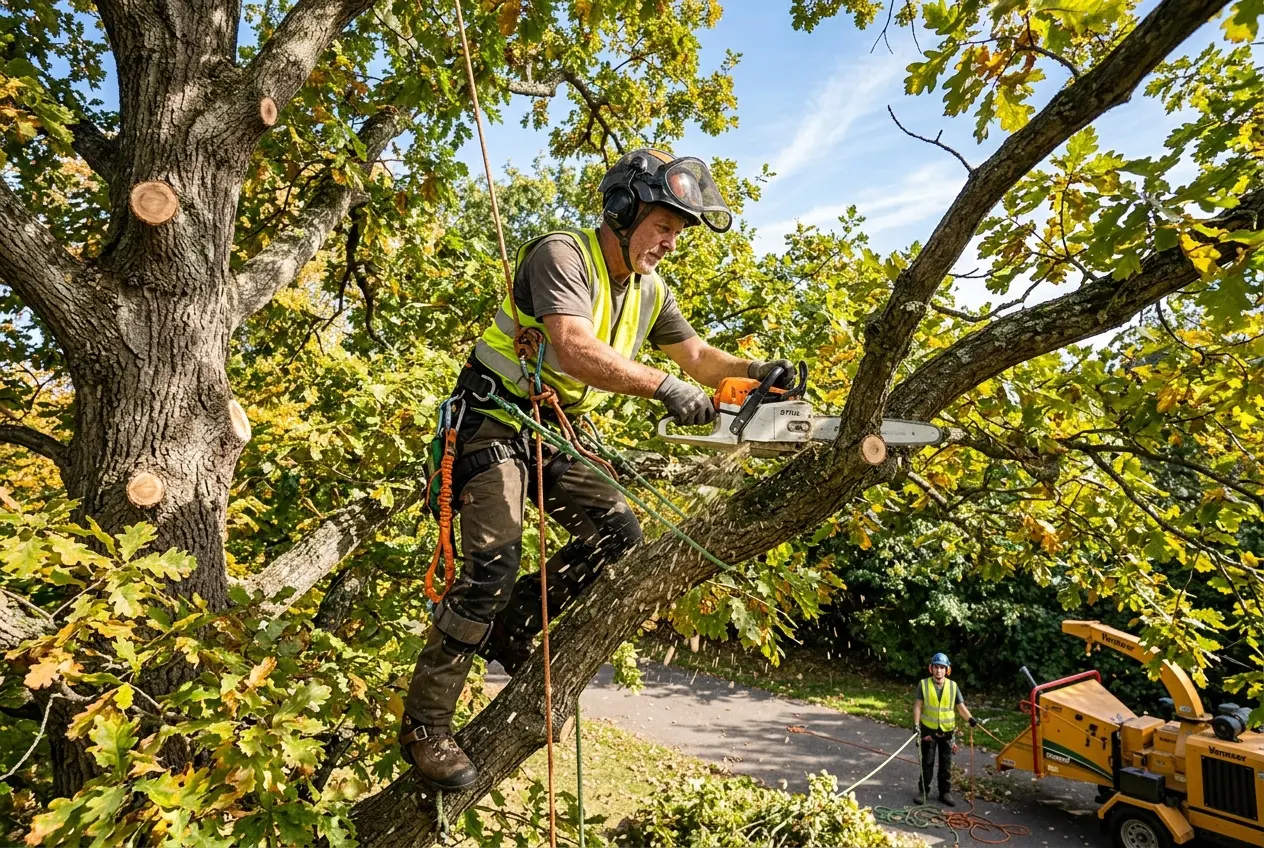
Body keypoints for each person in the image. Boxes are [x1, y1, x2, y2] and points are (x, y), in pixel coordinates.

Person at [400, 148, 796, 789]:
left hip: (556, 430)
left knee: (620, 537)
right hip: (494, 419)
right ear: (622, 210)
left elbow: (696, 355)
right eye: (664, 226)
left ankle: (514, 620)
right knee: (491, 562)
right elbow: (574, 346)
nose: (670, 243)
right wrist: (663, 386)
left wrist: (756, 372)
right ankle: (425, 723)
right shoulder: (562, 255)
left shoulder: (650, 290)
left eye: (678, 233)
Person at [912, 652, 978, 806]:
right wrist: (916, 726)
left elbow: (960, 707)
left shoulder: (953, 686)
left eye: (942, 667)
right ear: (931, 668)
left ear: (947, 670)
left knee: (946, 764)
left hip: (947, 732)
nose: (939, 671)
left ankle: (945, 792)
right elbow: (917, 706)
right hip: (928, 731)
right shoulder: (923, 684)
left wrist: (970, 719)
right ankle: (923, 791)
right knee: (927, 763)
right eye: (936, 667)